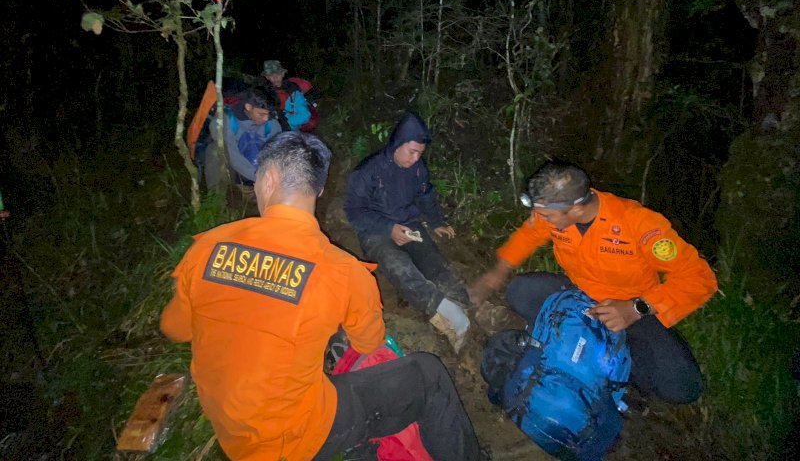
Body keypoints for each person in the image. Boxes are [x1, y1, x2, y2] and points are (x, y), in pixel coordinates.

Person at [160, 132, 480, 461]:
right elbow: (370, 343)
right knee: (427, 374)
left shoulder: (206, 247)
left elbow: (175, 329)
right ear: (320, 190)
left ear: (268, 179)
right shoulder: (343, 270)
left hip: (234, 434)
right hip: (300, 435)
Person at [471, 160, 718, 404]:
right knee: (520, 291)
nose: (540, 219)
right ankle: (574, 347)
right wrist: (496, 274)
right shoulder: (554, 215)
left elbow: (699, 278)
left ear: (576, 209)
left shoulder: (638, 223)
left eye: (546, 215)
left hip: (630, 311)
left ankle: (612, 369)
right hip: (578, 299)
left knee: (684, 387)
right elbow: (528, 235)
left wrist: (637, 308)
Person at [344, 112, 472, 353]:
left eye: (420, 153)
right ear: (397, 145)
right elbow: (354, 211)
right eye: (411, 152)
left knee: (432, 260)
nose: (415, 158)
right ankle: (449, 315)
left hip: (408, 224)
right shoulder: (368, 172)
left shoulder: (417, 169)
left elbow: (425, 195)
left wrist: (435, 223)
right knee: (399, 266)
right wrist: (388, 228)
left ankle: (463, 303)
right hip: (376, 231)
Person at [203, 86, 282, 188]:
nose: (266, 119)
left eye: (269, 114)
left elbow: (278, 155)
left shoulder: (272, 124)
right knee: (214, 150)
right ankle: (217, 197)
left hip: (261, 168)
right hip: (236, 167)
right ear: (248, 107)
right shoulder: (226, 121)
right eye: (261, 114)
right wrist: (259, 178)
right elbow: (233, 156)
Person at [259, 59, 312, 131]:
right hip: (270, 132)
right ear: (267, 77)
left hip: (290, 132)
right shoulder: (262, 93)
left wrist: (286, 122)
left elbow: (305, 115)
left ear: (282, 74)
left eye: (277, 73)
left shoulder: (293, 91)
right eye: (271, 75)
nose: (275, 77)